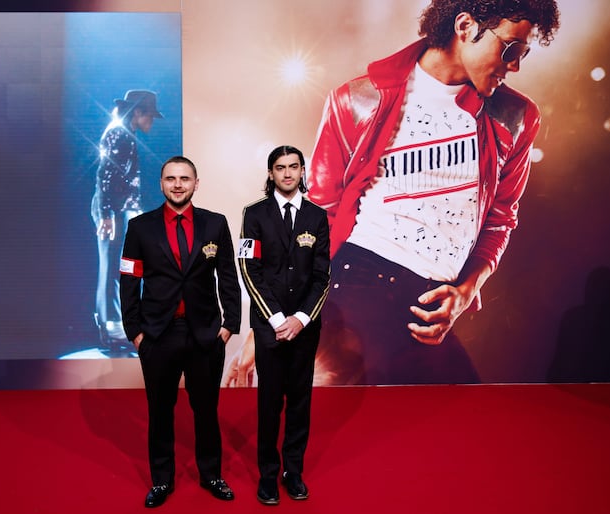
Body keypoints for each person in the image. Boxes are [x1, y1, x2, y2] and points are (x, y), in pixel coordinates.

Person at [305, 0, 561, 384]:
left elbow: (499, 221)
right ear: (464, 26)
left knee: (458, 433)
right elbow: (316, 215)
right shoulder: (358, 100)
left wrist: (463, 292)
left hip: (426, 305)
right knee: (351, 433)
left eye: (522, 52)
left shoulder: (516, 118)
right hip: (358, 284)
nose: (515, 66)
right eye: (510, 48)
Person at [119, 156, 241, 508]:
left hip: (205, 334)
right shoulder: (140, 227)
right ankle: (161, 481)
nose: (177, 184)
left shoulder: (215, 224)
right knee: (160, 410)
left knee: (206, 409)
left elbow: (228, 277)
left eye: (184, 178)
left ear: (196, 183)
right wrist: (136, 333)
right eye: (170, 178)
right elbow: (129, 281)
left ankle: (211, 475)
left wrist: (229, 325)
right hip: (157, 334)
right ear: (161, 184)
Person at [238, 146, 330, 505]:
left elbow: (323, 275)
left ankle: (294, 473)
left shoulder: (317, 217)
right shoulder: (253, 214)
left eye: (294, 167)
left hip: (305, 327)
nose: (288, 173)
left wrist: (301, 319)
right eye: (280, 168)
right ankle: (268, 476)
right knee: (269, 401)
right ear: (271, 173)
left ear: (303, 170)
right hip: (269, 327)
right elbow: (249, 268)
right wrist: (277, 319)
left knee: (300, 403)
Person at [91, 89, 162, 354]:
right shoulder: (120, 133)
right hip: (112, 212)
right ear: (139, 112)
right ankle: (111, 327)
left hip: (118, 211)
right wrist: (108, 214)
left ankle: (114, 326)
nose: (151, 122)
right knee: (111, 268)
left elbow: (123, 180)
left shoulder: (124, 133)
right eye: (150, 116)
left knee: (117, 267)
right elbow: (105, 175)